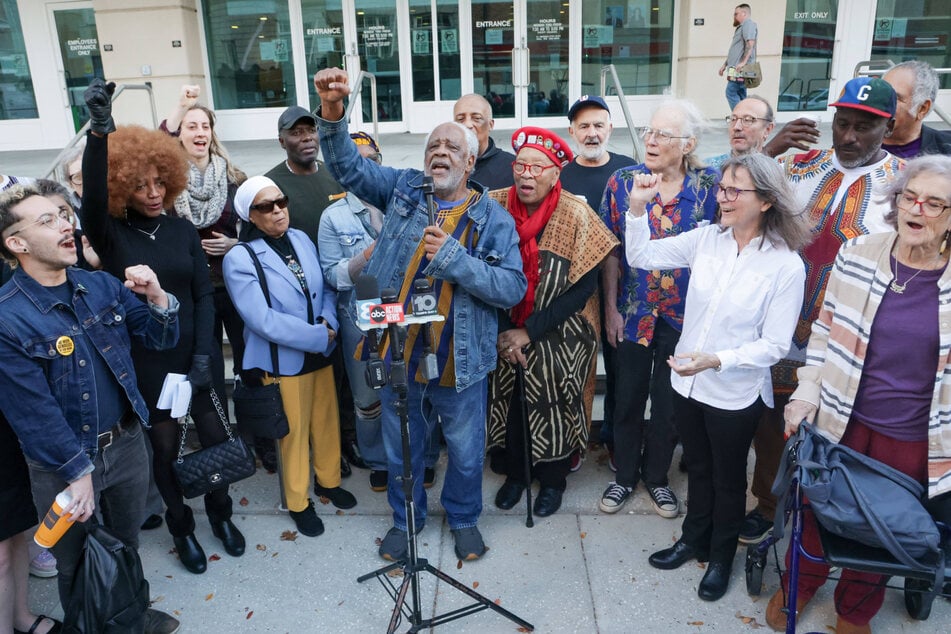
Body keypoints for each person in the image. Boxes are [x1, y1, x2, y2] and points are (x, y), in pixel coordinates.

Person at [313, 67, 526, 562]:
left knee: (467, 452)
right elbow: (348, 169)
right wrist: (332, 113)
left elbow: (511, 286)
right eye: (434, 146)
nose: (440, 153)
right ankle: (404, 518)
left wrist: (454, 259)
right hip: (397, 354)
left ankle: (464, 518)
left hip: (460, 362)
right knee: (403, 449)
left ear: (471, 161)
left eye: (452, 147)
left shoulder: (491, 217)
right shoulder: (405, 190)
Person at [767, 155, 951, 634]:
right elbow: (825, 332)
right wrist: (806, 393)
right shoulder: (859, 252)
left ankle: (855, 610)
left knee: (880, 527)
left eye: (935, 204)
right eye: (911, 197)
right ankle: (800, 585)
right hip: (840, 419)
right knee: (817, 509)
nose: (918, 209)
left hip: (913, 438)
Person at [78, 80, 245, 575]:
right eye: (139, 185)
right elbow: (89, 198)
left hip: (196, 356)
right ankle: (182, 529)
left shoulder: (177, 228)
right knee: (166, 452)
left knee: (216, 441)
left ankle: (221, 514)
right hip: (147, 364)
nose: (152, 193)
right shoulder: (110, 235)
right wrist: (99, 133)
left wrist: (202, 357)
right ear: (121, 187)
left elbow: (199, 294)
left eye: (158, 183)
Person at [0, 184, 181, 633]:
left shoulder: (100, 286)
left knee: (125, 546)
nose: (66, 224)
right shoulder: (7, 318)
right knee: (79, 565)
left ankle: (129, 618)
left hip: (126, 445)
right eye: (46, 221)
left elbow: (160, 340)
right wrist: (77, 473)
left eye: (63, 214)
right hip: (63, 467)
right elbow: (31, 412)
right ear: (16, 244)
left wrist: (158, 298)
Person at [738, 76, 906, 546]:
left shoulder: (903, 184)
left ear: (888, 127)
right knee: (773, 418)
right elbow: (733, 195)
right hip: (782, 318)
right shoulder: (799, 166)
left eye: (864, 128)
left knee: (836, 423)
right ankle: (767, 504)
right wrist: (768, 151)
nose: (850, 136)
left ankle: (825, 511)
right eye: (843, 123)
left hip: (852, 329)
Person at [635, 153, 809, 601]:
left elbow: (775, 344)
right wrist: (638, 210)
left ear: (767, 200)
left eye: (736, 190)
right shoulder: (707, 240)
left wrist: (716, 359)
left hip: (733, 392)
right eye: (722, 188)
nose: (724, 198)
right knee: (699, 471)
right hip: (687, 384)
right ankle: (693, 540)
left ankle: (721, 557)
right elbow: (642, 254)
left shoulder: (785, 265)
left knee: (729, 479)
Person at [597, 100, 719, 517]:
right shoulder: (622, 182)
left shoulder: (709, 188)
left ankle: (657, 478)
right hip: (633, 311)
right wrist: (610, 309)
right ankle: (624, 477)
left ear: (688, 144)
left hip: (686, 319)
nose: (650, 140)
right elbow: (611, 251)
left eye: (663, 134)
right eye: (649, 131)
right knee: (627, 397)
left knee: (669, 404)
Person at [487, 126, 617, 517]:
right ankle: (517, 474)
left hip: (562, 327)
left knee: (555, 390)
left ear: (556, 173)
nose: (527, 174)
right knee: (510, 400)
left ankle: (554, 479)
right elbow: (479, 272)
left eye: (538, 167)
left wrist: (529, 331)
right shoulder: (492, 207)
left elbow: (583, 290)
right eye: (521, 165)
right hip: (504, 326)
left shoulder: (576, 213)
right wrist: (506, 334)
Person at [224, 175, 354, 537]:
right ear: (250, 215)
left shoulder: (300, 239)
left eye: (281, 201)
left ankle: (328, 481)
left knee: (326, 422)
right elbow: (261, 319)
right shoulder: (240, 257)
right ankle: (298, 500)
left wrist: (329, 322)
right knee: (293, 434)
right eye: (266, 206)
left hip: (321, 349)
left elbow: (327, 286)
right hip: (285, 359)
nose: (278, 211)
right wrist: (316, 335)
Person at [317, 133, 442, 493]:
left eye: (373, 157)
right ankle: (378, 460)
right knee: (368, 396)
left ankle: (427, 457)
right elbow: (335, 276)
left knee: (419, 387)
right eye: (358, 159)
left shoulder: (406, 203)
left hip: (406, 313)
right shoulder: (333, 217)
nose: (367, 165)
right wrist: (369, 254)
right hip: (360, 317)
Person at [263, 106, 358, 478]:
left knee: (346, 376)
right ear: (281, 140)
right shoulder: (271, 184)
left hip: (342, 289)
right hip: (297, 298)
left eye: (310, 131)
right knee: (314, 380)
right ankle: (313, 446)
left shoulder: (335, 175)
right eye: (296, 133)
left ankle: (345, 439)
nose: (306, 139)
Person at [560, 94, 635, 469]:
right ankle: (572, 440)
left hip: (623, 291)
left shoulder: (630, 171)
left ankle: (615, 442)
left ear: (611, 128)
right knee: (574, 372)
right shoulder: (558, 175)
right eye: (584, 126)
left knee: (622, 374)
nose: (592, 133)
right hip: (575, 291)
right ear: (572, 131)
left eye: (599, 125)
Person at [882, 60, 951, 158]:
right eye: (881, 94)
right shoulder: (856, 143)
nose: (882, 102)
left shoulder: (946, 151)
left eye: (895, 98)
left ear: (922, 108)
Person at [453, 93, 515, 190]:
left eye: (476, 118)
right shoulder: (445, 166)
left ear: (490, 124)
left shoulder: (511, 168)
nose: (468, 124)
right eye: (461, 119)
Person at [718, 4, 757, 111]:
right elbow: (735, 51)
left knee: (730, 92)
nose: (734, 16)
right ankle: (745, 117)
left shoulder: (748, 25)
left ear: (744, 13)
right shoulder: (742, 27)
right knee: (740, 93)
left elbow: (750, 44)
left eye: (736, 14)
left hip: (740, 69)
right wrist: (724, 65)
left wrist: (743, 62)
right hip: (736, 68)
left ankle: (740, 116)